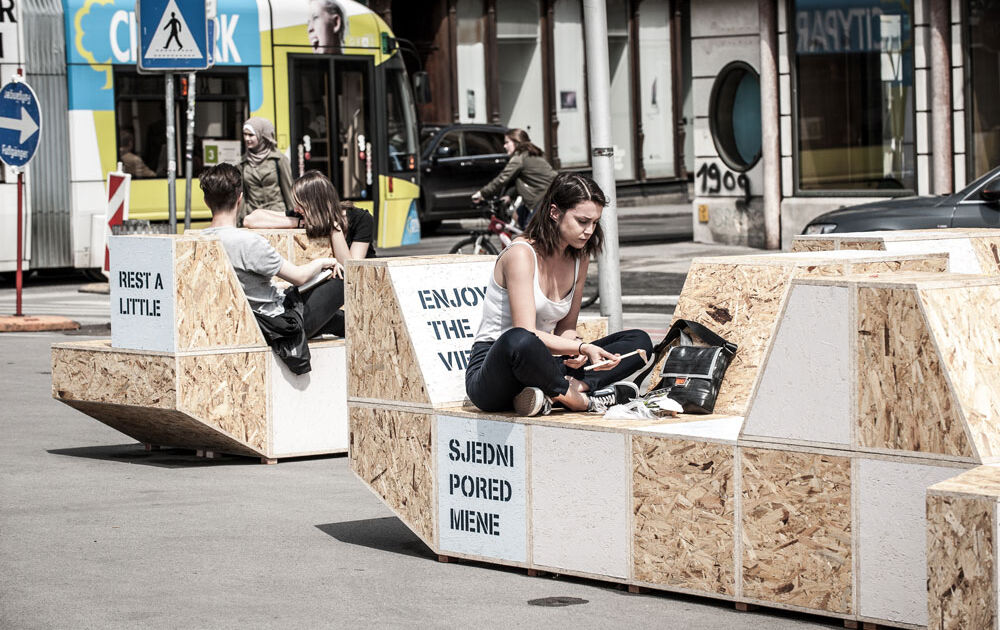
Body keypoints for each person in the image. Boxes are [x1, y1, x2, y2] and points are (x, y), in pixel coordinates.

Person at [465, 173, 652, 417]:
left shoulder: (579, 257)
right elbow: (527, 332)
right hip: (496, 369)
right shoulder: (521, 254)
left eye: (594, 223)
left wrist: (574, 351)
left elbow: (566, 328)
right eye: (582, 221)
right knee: (519, 339)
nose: (588, 231)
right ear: (555, 212)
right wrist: (581, 348)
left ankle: (558, 391)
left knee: (638, 342)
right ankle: (580, 400)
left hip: (546, 364)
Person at [199, 163, 345, 373]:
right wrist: (324, 262)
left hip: (246, 322)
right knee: (341, 278)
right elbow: (299, 277)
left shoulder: (196, 240)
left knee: (335, 320)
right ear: (240, 199)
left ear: (206, 201)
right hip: (277, 326)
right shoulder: (248, 243)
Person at [243, 170, 376, 335]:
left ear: (314, 203)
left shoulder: (360, 218)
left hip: (356, 295)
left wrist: (333, 228)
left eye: (300, 204)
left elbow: (350, 269)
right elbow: (251, 219)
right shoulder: (304, 216)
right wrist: (298, 223)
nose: (296, 209)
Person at [471, 128, 557, 228]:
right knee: (517, 217)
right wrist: (509, 196)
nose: (504, 146)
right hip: (546, 194)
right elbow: (523, 180)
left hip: (545, 196)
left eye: (507, 142)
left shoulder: (519, 157)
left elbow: (502, 179)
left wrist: (482, 193)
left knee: (531, 230)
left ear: (516, 142)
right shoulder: (528, 154)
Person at [240, 117, 293, 226]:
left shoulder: (279, 159)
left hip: (277, 216)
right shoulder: (242, 162)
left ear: (262, 136)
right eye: (245, 134)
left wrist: (294, 217)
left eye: (251, 135)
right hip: (253, 217)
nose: (247, 138)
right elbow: (243, 195)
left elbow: (289, 190)